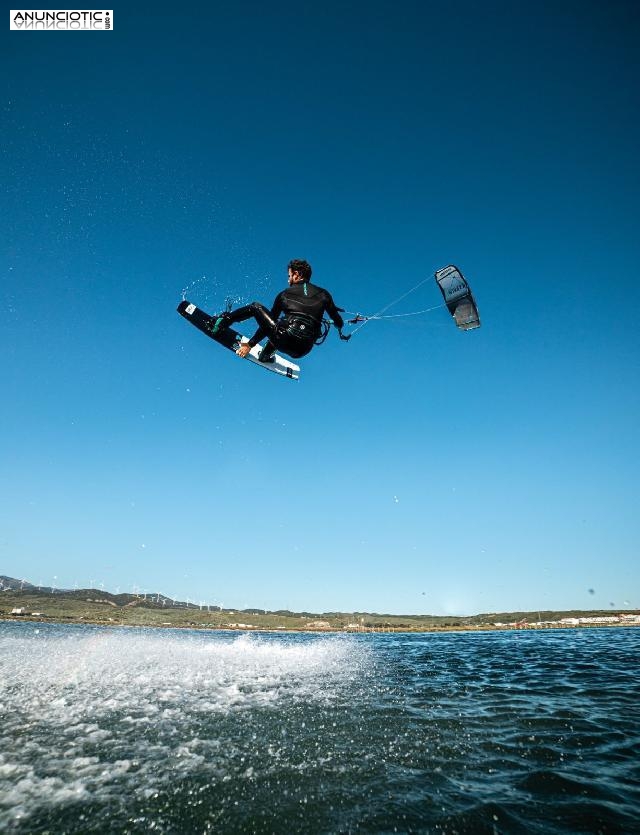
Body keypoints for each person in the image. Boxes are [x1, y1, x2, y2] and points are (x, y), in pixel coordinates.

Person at [212, 259, 349, 363]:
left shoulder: (284, 295)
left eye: (289, 275)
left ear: (297, 274)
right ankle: (266, 355)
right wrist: (333, 317)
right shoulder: (325, 295)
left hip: (283, 340)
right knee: (281, 325)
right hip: (303, 350)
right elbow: (339, 323)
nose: (288, 279)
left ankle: (221, 324)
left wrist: (250, 344)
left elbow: (267, 326)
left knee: (256, 308)